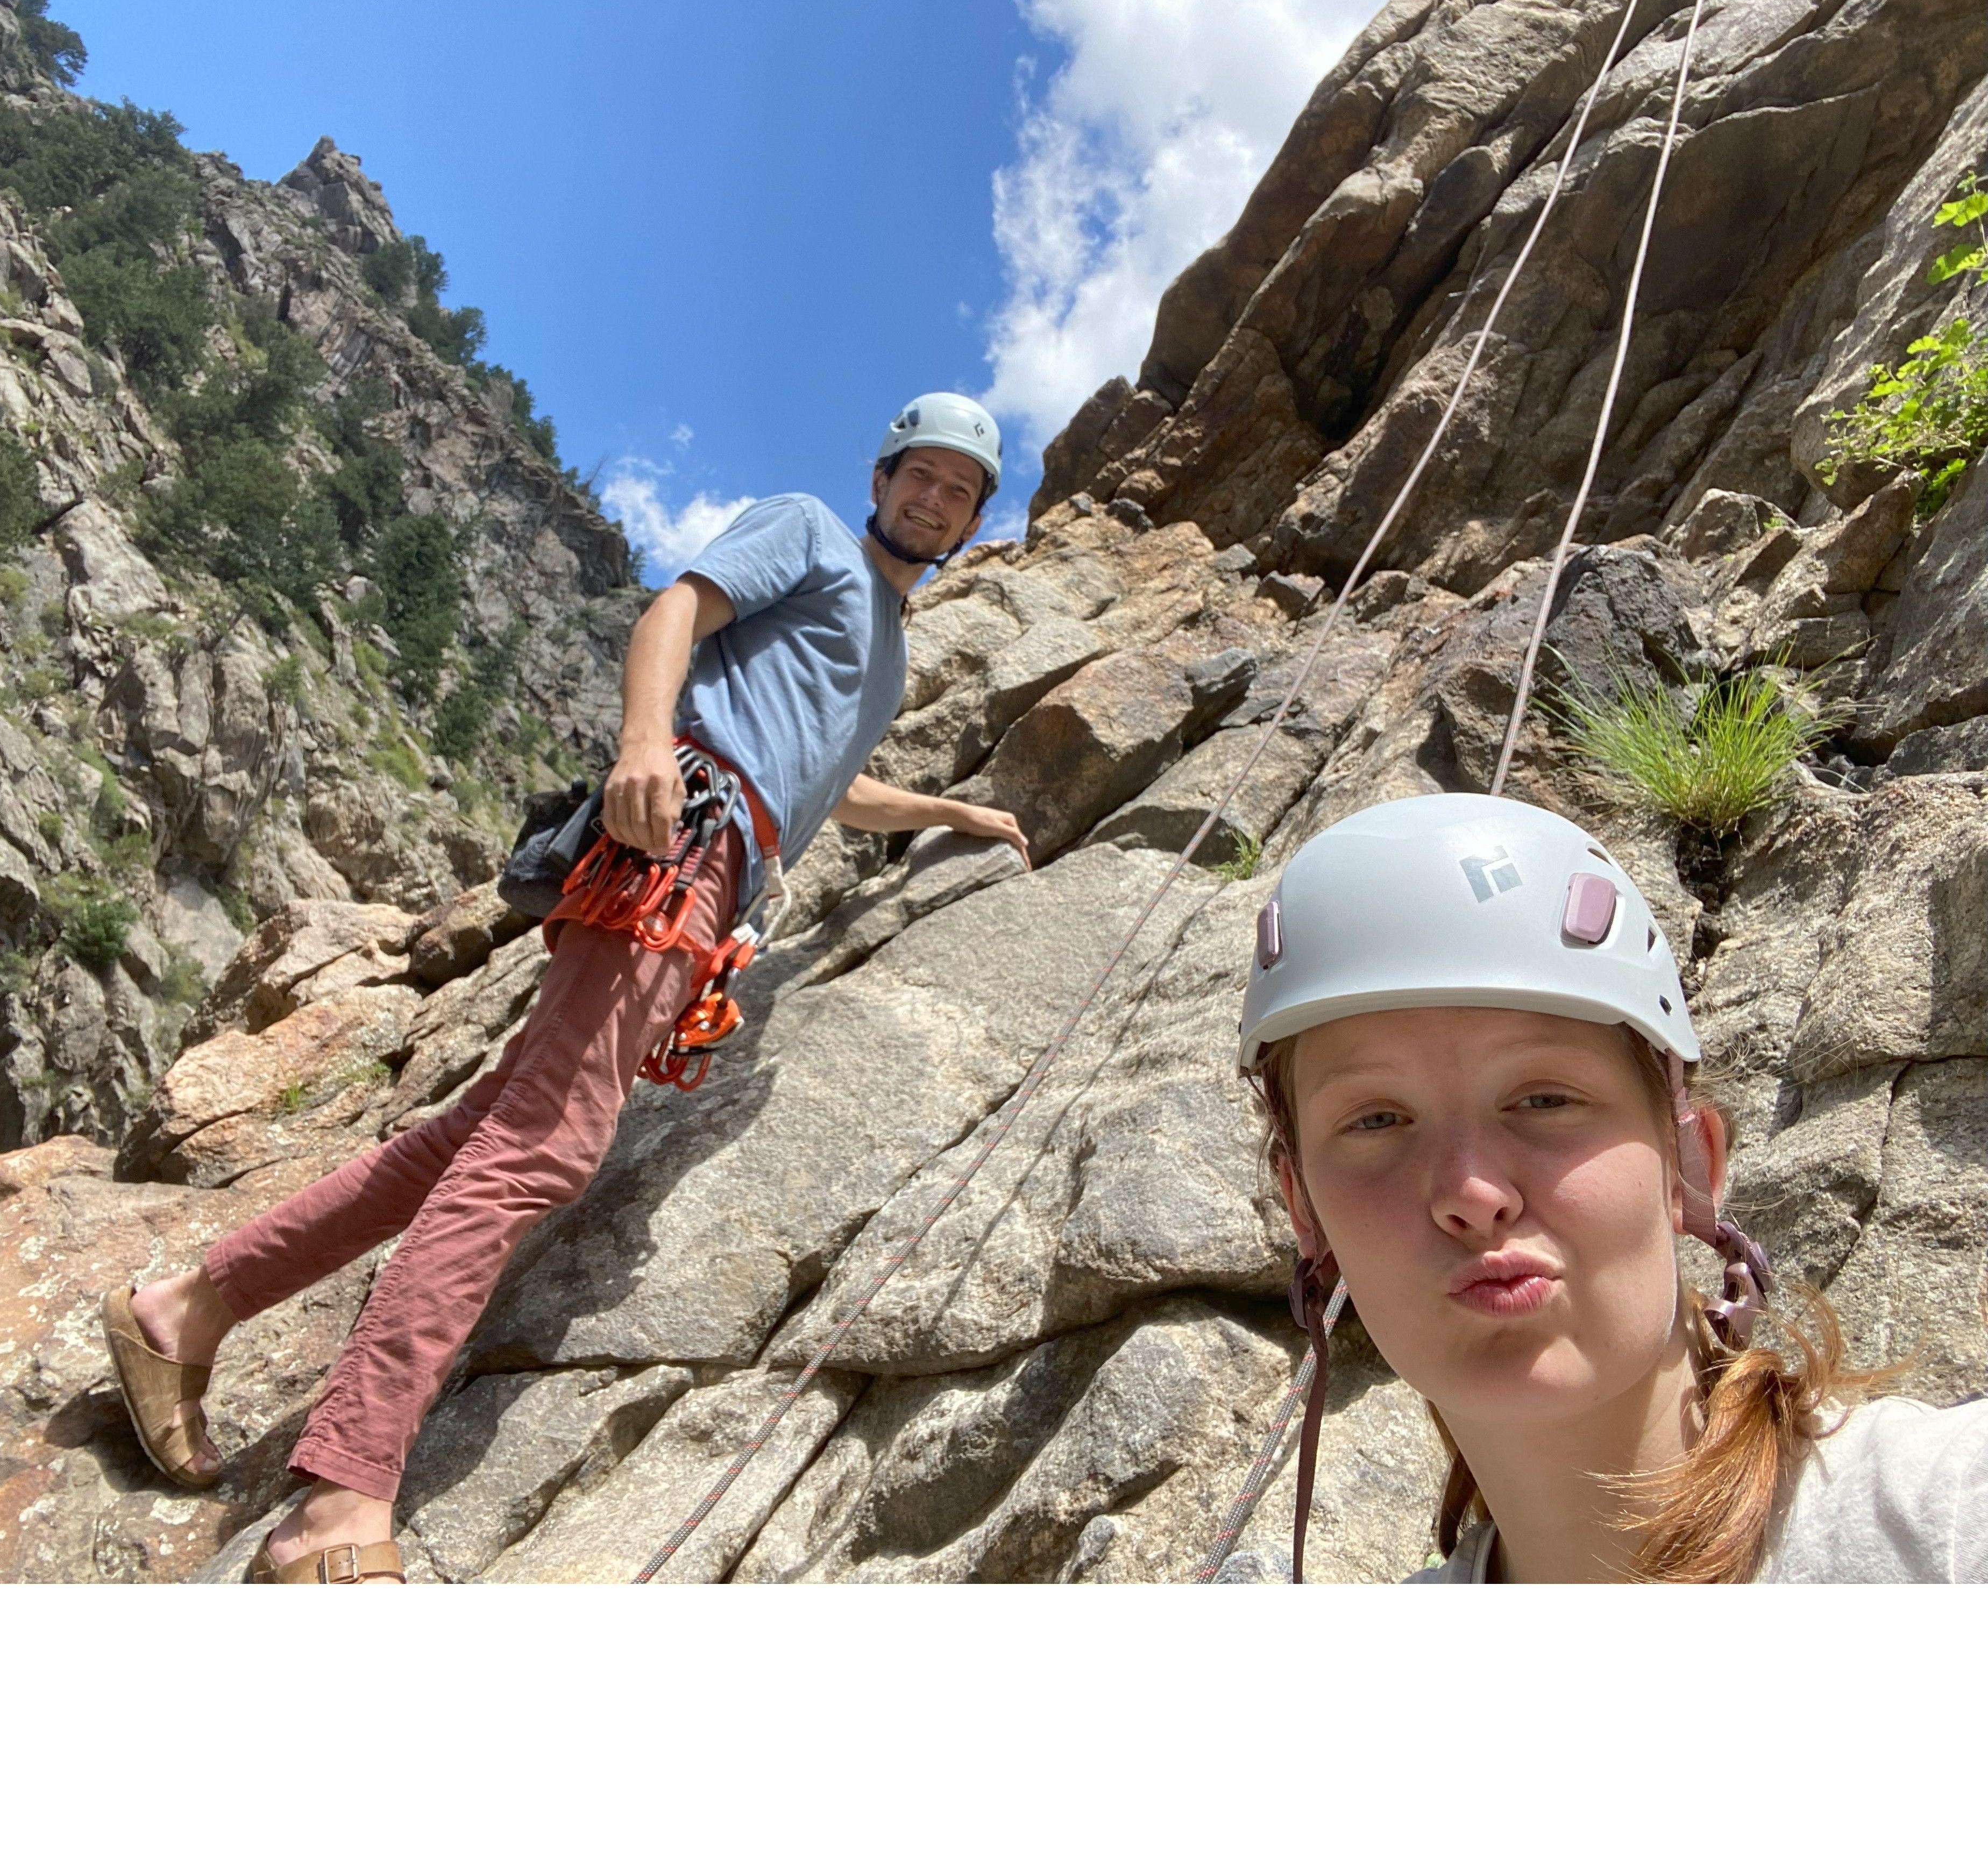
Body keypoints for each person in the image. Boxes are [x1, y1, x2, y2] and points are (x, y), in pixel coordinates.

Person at [101, 392, 1032, 1582]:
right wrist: (647, 740)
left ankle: (187, 1310)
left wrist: (950, 809)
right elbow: (678, 611)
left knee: (472, 1139)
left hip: (721, 885)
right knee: (540, 1149)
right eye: (922, 475)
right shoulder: (806, 532)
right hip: (681, 833)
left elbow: (834, 789)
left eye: (960, 490)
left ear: (973, 518)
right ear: (884, 474)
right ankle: (341, 1493)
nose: (934, 500)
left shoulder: (891, 659)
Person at [1236, 791, 1987, 1584]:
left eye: (1545, 1100)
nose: (1473, 1191)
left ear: (1689, 1163)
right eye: (1379, 1120)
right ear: (1302, 1206)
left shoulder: (1948, 1514)